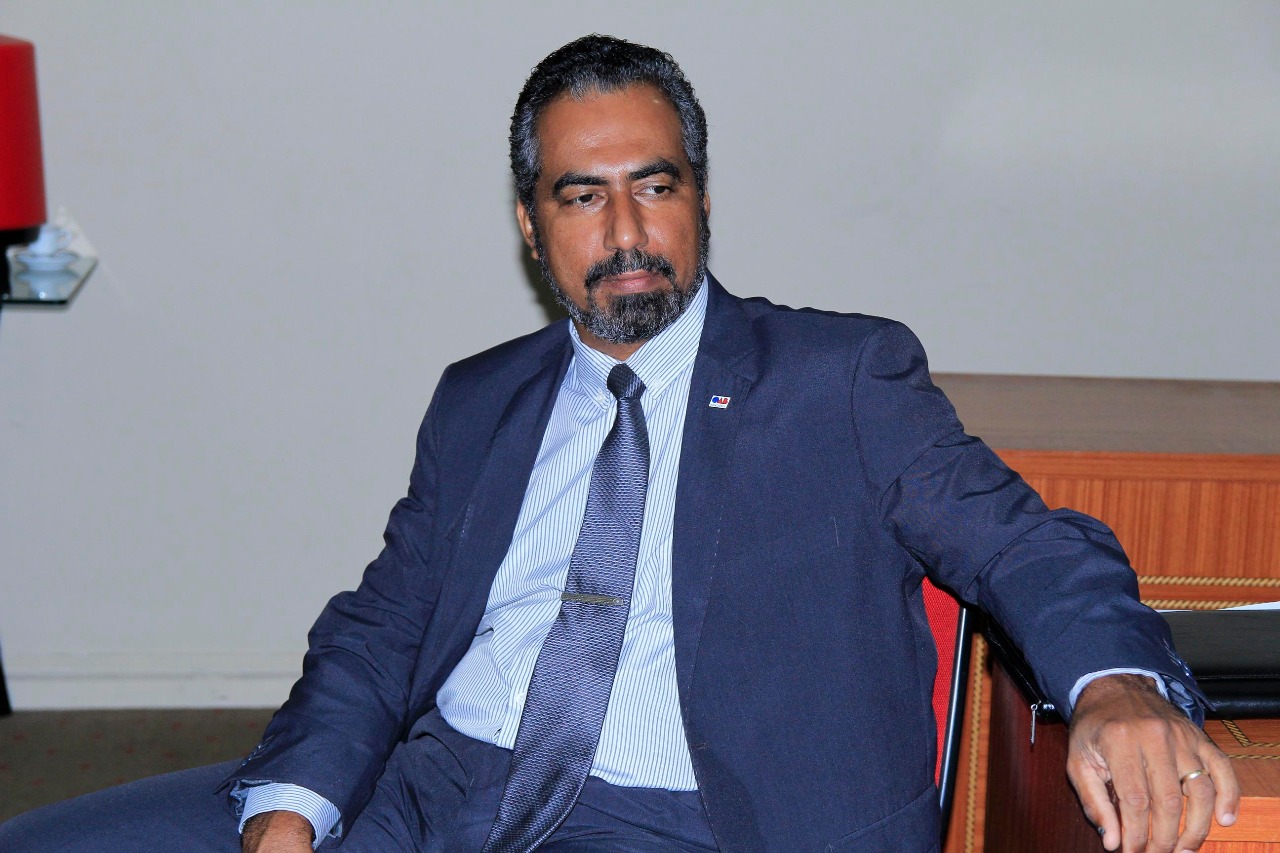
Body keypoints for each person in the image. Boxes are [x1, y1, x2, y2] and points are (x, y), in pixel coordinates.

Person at [0, 34, 1239, 853]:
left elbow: (1025, 546)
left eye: (654, 184)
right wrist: (294, 805)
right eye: (581, 195)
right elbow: (380, 629)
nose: (626, 229)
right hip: (433, 792)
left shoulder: (836, 379)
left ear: (698, 196)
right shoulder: (478, 399)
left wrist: (1116, 685)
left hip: (688, 816)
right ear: (532, 226)